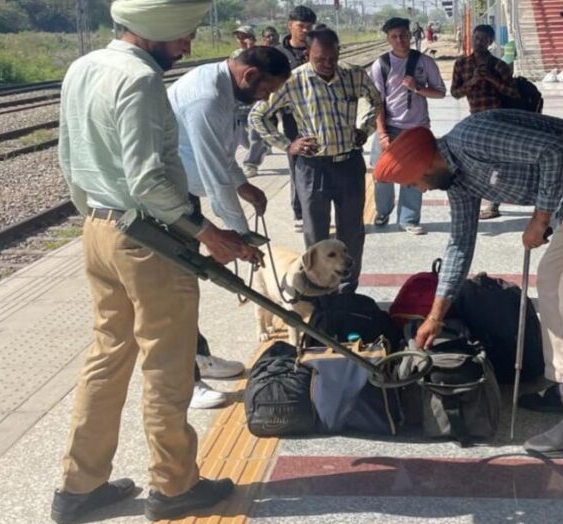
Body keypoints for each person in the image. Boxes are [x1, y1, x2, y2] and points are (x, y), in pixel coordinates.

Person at [52, 0, 265, 522]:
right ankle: (174, 486)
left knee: (108, 355)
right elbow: (148, 180)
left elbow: (69, 158)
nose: (188, 45)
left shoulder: (83, 66)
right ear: (155, 30)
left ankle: (79, 486)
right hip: (150, 240)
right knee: (167, 365)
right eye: (182, 35)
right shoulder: (142, 80)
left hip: (99, 228)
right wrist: (207, 233)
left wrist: (97, 217)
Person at [376, 112, 563, 457]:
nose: (421, 190)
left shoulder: (471, 137)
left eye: (415, 182)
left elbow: (553, 151)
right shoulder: (457, 182)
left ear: (426, 163)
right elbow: (460, 244)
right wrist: (435, 316)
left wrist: (540, 218)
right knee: (551, 281)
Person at [168, 47, 292, 408]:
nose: (265, 99)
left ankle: (198, 357)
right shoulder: (206, 99)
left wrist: (243, 184)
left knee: (185, 288)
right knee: (173, 293)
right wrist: (239, 236)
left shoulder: (224, 89)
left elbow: (222, 155)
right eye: (265, 90)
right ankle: (185, 383)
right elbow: (213, 174)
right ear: (249, 75)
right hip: (167, 203)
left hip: (183, 196)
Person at [251, 28, 381, 293]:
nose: (328, 64)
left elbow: (376, 101)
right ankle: (319, 292)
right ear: (307, 54)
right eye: (320, 59)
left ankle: (347, 290)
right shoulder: (293, 81)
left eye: (333, 58)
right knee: (315, 234)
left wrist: (365, 128)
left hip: (349, 164)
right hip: (313, 168)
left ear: (339, 52)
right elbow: (257, 116)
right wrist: (289, 145)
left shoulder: (354, 75)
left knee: (352, 231)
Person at [370, 17, 447, 235]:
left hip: (417, 128)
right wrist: (382, 133)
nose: (400, 40)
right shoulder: (381, 65)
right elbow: (377, 102)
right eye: (394, 37)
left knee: (416, 174)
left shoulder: (425, 62)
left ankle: (409, 219)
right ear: (388, 39)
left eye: (403, 35)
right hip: (391, 126)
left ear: (410, 35)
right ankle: (383, 211)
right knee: (382, 173)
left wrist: (418, 88)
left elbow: (440, 92)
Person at [450, 24, 521, 220]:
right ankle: (476, 198)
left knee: (495, 163)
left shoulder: (499, 66)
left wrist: (492, 79)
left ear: (490, 42)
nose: (479, 42)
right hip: (475, 119)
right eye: (476, 38)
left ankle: (493, 204)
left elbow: (514, 93)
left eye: (483, 39)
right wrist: (471, 82)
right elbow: (455, 93)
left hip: (497, 120)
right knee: (474, 162)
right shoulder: (462, 64)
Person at [274, 5, 317, 232]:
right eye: (301, 26)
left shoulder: (316, 48)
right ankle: (299, 211)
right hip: (291, 117)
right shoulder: (278, 54)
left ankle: (315, 209)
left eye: (309, 26)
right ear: (290, 25)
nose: (305, 30)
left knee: (318, 163)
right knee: (298, 164)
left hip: (317, 115)